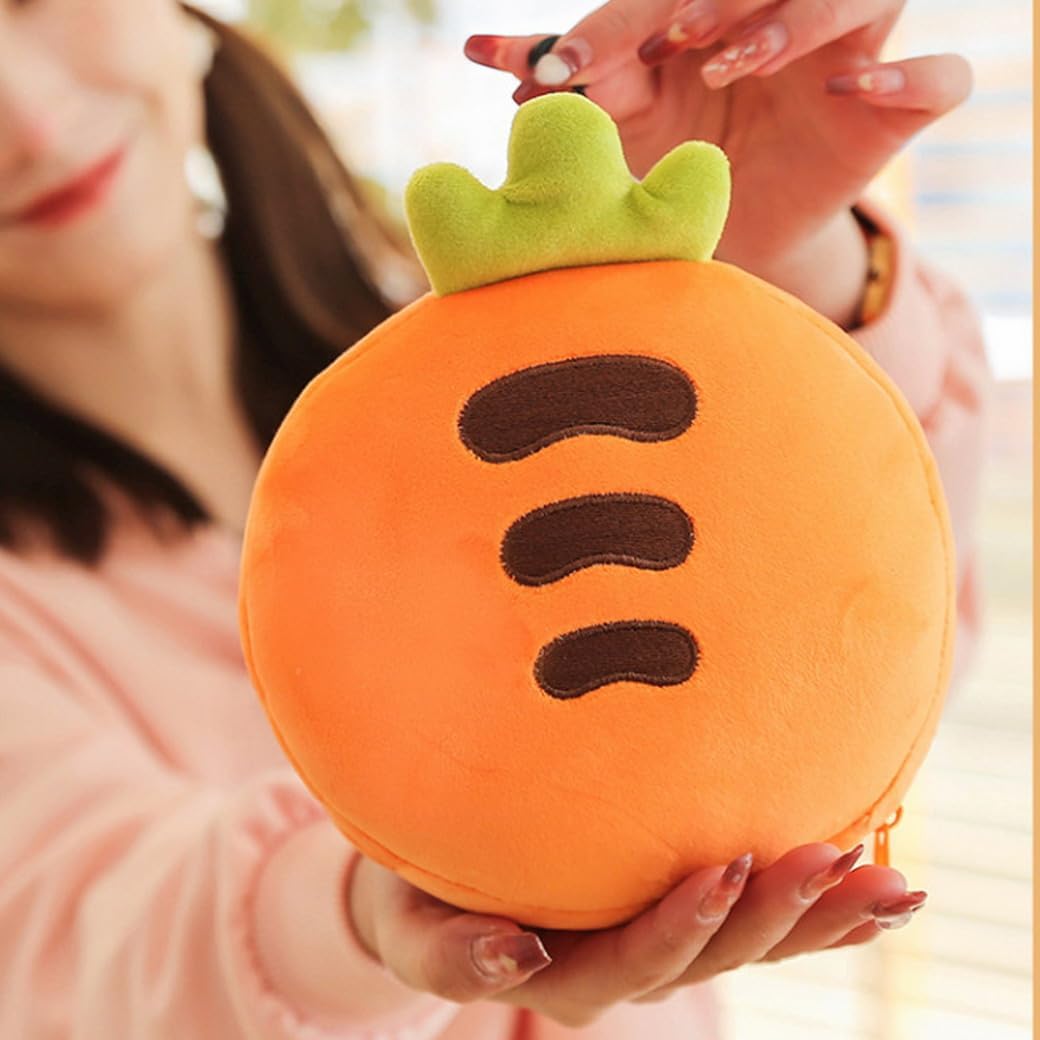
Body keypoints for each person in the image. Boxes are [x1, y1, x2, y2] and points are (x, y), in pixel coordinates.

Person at [0, 1, 992, 1037]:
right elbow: (85, 950)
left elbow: (870, 640)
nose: (28, 121)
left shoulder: (477, 350)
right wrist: (369, 911)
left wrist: (785, 254)